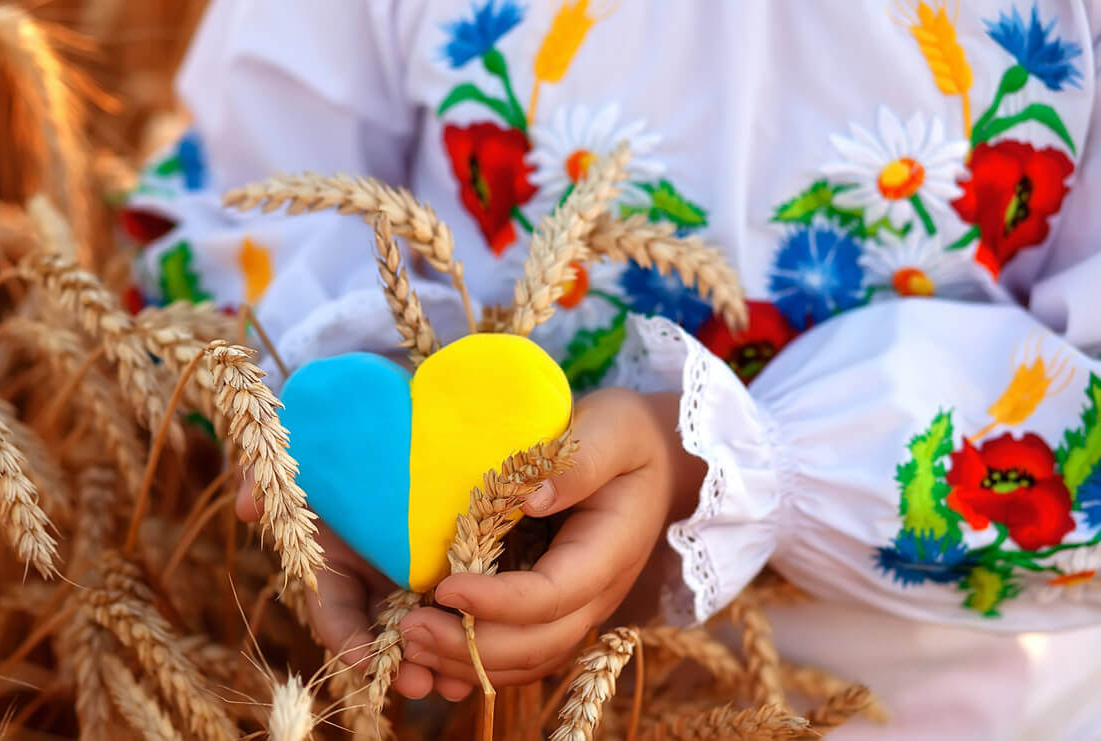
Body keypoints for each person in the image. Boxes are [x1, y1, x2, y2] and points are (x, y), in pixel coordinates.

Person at [121, 2, 1101, 737]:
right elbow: (236, 197)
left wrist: (710, 470)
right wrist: (336, 422)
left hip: (929, 711)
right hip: (430, 688)